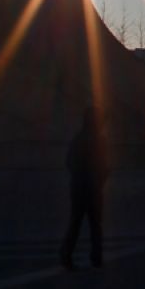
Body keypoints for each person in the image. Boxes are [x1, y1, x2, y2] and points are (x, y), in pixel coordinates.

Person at [60, 105, 107, 269]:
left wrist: (78, 176)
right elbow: (106, 166)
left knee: (75, 223)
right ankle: (97, 258)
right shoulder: (99, 140)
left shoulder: (78, 139)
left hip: (79, 188)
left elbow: (69, 162)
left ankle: (66, 255)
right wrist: (100, 180)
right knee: (96, 225)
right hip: (93, 189)